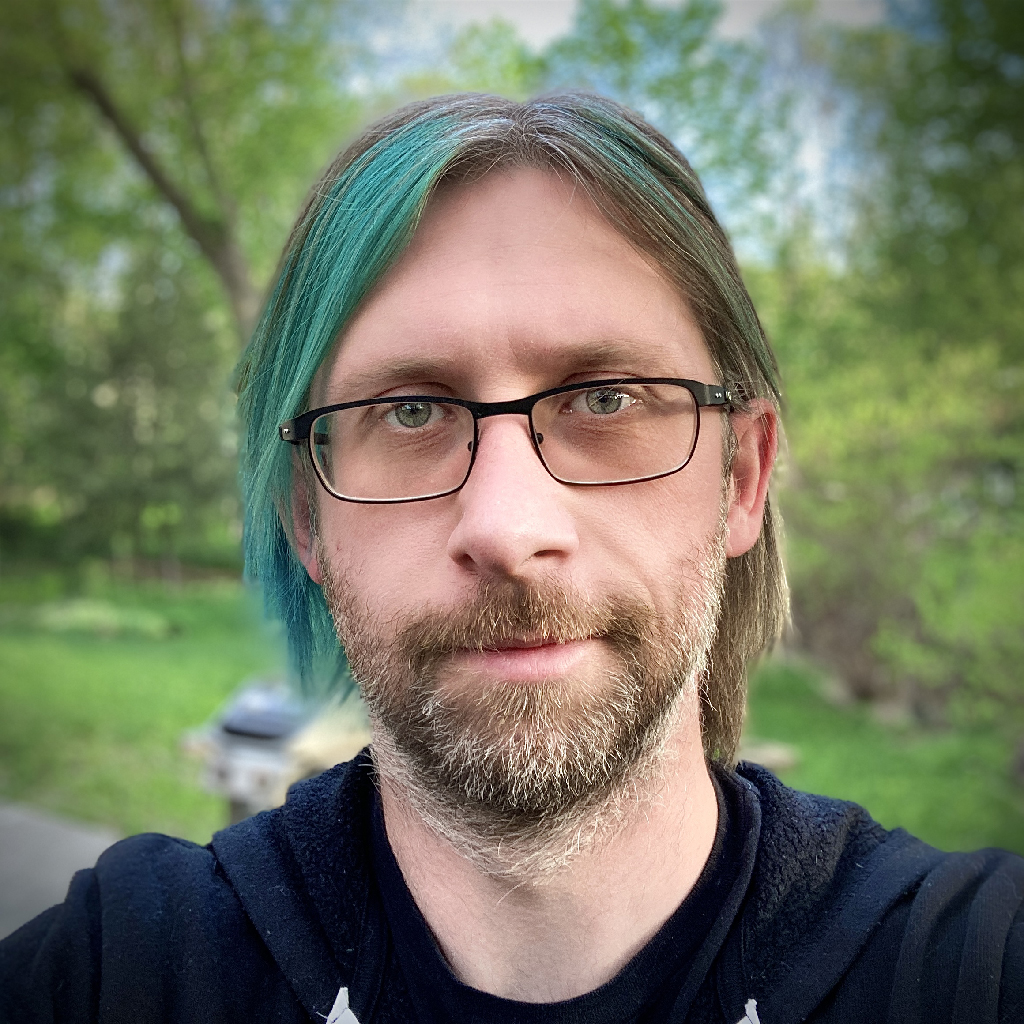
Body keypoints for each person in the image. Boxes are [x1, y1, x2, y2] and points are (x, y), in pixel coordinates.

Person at [1, 93, 1021, 1024]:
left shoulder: (965, 971)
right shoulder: (124, 974)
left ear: (741, 478)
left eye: (606, 398)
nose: (504, 524)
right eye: (408, 411)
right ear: (305, 519)